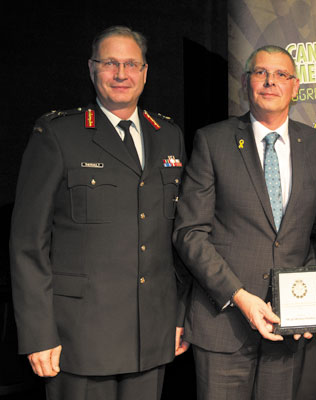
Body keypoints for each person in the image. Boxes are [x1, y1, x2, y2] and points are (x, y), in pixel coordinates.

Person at [9, 26, 189, 400]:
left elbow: (176, 239)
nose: (121, 74)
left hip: (150, 334)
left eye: (130, 64)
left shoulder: (169, 135)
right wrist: (38, 333)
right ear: (92, 69)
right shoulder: (59, 133)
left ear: (145, 72)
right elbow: (28, 242)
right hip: (79, 338)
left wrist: (178, 316)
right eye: (110, 63)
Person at [173, 45, 316, 399]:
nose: (270, 81)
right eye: (261, 73)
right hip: (223, 323)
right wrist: (239, 296)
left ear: (295, 86)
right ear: (246, 83)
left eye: (281, 75)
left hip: (286, 325)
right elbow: (189, 233)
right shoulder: (212, 141)